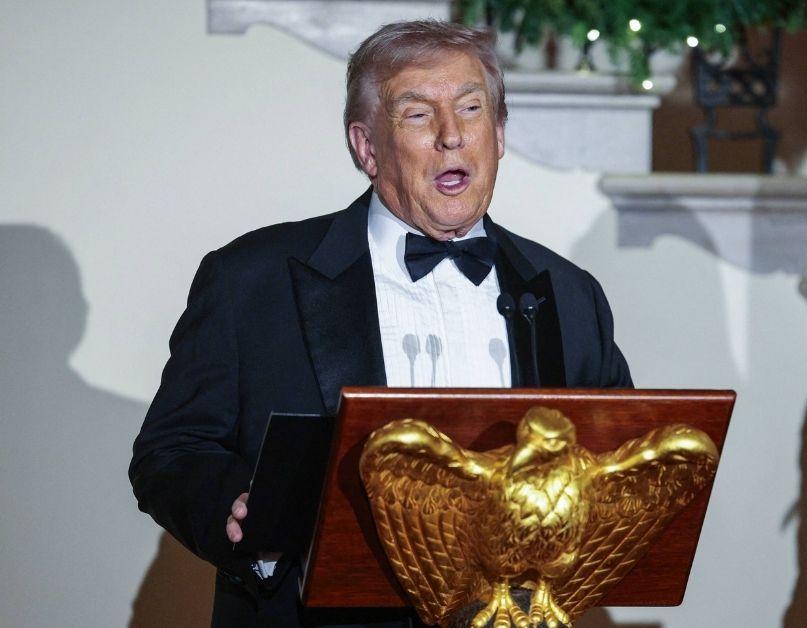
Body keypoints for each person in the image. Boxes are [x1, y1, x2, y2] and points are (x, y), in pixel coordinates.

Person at [129, 20, 632, 627]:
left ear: (498, 135)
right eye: (418, 115)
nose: (452, 136)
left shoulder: (569, 294)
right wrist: (234, 507)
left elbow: (614, 466)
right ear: (366, 147)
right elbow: (171, 451)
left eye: (471, 109)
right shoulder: (252, 280)